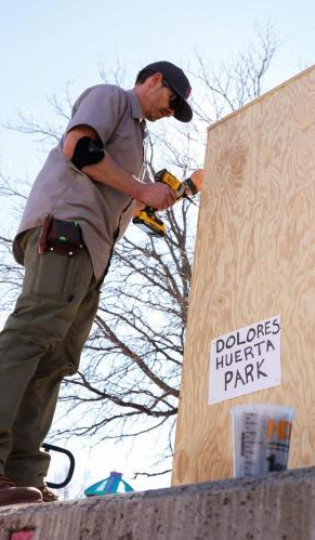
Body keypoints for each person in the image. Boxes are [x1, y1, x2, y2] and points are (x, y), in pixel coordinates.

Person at [0, 61, 199, 506]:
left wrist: (183, 188)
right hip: (68, 230)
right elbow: (80, 149)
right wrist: (140, 188)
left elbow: (138, 200)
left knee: (55, 359)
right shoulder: (111, 98)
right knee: (30, 337)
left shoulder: (137, 143)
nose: (173, 111)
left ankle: (21, 474)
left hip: (91, 254)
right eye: (173, 101)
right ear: (154, 81)